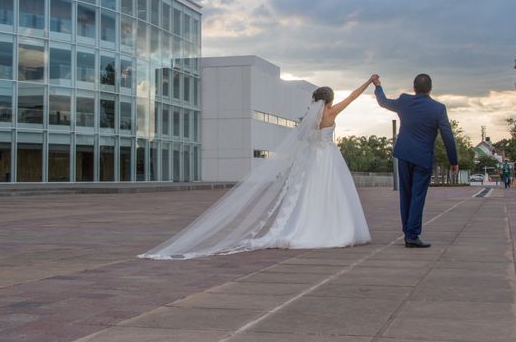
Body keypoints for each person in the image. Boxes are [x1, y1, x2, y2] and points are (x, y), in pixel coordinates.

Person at [139, 77, 377, 260]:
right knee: (331, 194)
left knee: (308, 195)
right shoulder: (331, 112)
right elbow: (354, 96)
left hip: (313, 159)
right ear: (330, 100)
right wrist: (368, 82)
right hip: (328, 158)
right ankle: (330, 229)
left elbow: (304, 140)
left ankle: (304, 228)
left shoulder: (310, 117)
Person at [374, 74, 458, 248]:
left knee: (405, 195)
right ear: (430, 88)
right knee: (417, 196)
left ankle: (408, 233)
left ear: (414, 87)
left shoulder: (404, 101)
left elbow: (383, 102)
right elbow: (447, 136)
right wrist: (453, 161)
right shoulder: (438, 108)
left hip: (404, 154)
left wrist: (378, 86)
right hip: (423, 157)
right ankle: (412, 235)